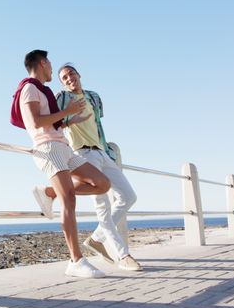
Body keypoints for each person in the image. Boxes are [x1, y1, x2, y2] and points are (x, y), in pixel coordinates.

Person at [10, 49, 111, 278]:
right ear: (43, 63)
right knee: (69, 199)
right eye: (50, 65)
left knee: (102, 183)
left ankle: (48, 192)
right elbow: (35, 122)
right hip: (48, 149)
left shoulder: (41, 91)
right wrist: (67, 111)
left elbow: (49, 123)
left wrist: (68, 121)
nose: (52, 70)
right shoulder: (29, 88)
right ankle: (76, 261)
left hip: (63, 146)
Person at [55, 63, 142, 271]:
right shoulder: (62, 98)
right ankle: (123, 255)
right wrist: (70, 120)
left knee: (128, 196)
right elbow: (53, 123)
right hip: (83, 154)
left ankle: (96, 238)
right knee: (103, 207)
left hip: (102, 152)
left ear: (78, 74)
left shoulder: (94, 97)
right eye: (64, 77)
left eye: (71, 74)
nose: (69, 79)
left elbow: (96, 124)